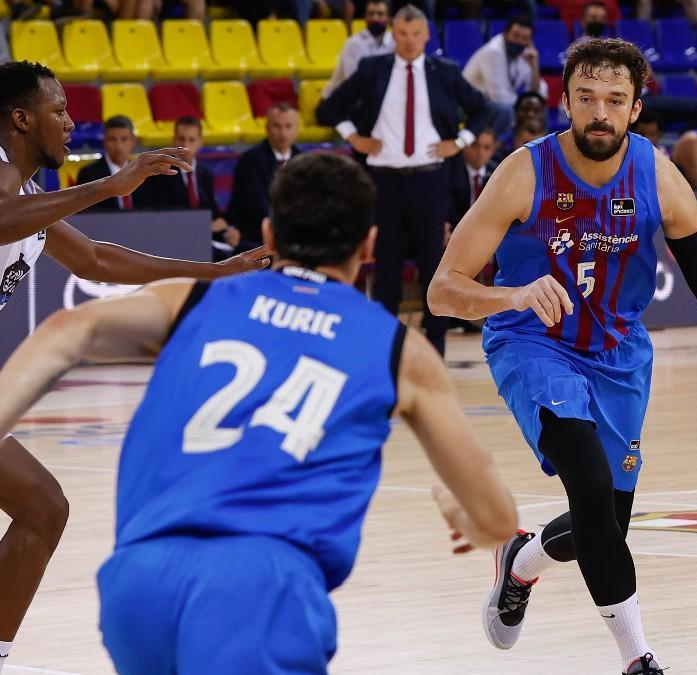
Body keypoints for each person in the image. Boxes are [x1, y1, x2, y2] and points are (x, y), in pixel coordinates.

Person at [427, 37, 697, 675]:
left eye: (614, 100)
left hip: (619, 356)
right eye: (586, 98)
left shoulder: (657, 176)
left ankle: (519, 564)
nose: (599, 112)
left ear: (635, 107)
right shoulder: (523, 172)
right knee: (592, 490)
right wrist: (513, 293)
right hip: (533, 344)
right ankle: (640, 661)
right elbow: (441, 292)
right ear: (565, 101)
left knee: (604, 524)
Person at [0, 152, 518, 673]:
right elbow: (499, 520)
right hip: (260, 590)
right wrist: (469, 522)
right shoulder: (397, 350)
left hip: (138, 584)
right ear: (368, 246)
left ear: (269, 230)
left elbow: (67, 331)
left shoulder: (191, 303)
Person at [0, 60, 268, 671]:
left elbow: (94, 258)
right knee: (43, 509)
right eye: (59, 110)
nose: (72, 123)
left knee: (42, 510)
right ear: (21, 118)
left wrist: (212, 272)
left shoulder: (31, 194)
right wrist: (105, 186)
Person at [316, 5, 491, 356]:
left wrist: (457, 143)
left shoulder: (444, 71)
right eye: (402, 34)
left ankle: (435, 347)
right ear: (393, 35)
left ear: (427, 36)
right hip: (383, 183)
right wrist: (354, 138)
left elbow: (484, 109)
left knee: (435, 267)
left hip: (430, 182)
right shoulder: (372, 69)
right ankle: (384, 349)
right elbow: (328, 108)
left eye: (416, 34)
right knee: (387, 269)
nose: (409, 41)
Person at [140, 117, 240, 260]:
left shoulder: (205, 174)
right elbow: (163, 218)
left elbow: (215, 217)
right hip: (175, 242)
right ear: (173, 141)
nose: (185, 146)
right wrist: (205, 226)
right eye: (181, 139)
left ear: (200, 142)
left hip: (205, 240)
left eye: (191, 140)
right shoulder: (160, 174)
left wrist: (226, 232)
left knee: (245, 252)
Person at [225, 103, 302, 247]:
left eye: (288, 126)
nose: (282, 133)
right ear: (267, 128)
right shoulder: (250, 160)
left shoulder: (304, 161)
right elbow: (257, 206)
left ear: (297, 129)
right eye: (277, 126)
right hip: (256, 237)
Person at [463, 17, 549, 134]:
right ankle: (498, 147)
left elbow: (538, 93)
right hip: (470, 105)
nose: (519, 41)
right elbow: (498, 96)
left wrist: (534, 66)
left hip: (491, 104)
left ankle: (542, 149)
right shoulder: (493, 52)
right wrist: (525, 107)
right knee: (507, 111)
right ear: (505, 34)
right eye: (516, 35)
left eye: (524, 38)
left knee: (539, 109)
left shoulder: (523, 54)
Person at [76, 115, 153, 211]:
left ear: (133, 141)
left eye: (124, 139)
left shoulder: (143, 174)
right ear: (104, 142)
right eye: (113, 139)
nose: (118, 146)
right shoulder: (88, 175)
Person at [321, 0, 395, 97]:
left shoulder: (394, 43)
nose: (375, 18)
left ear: (389, 19)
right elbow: (354, 84)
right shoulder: (354, 44)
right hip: (337, 101)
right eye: (371, 14)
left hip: (371, 100)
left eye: (380, 14)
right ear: (365, 18)